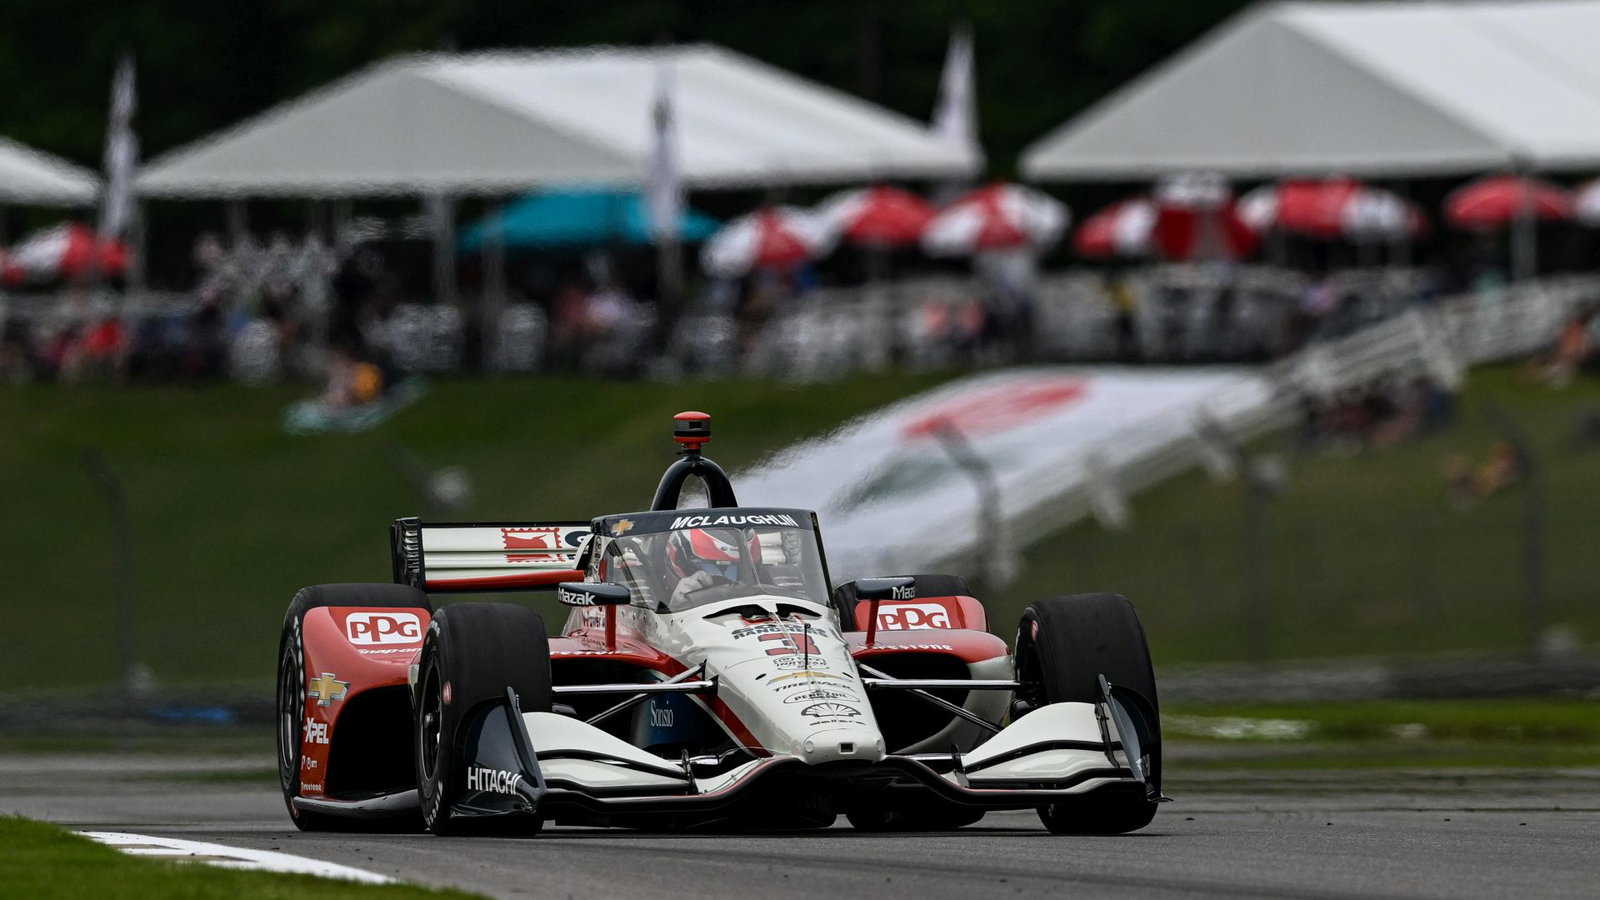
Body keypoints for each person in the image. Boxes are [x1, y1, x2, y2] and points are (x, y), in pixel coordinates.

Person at [665, 528, 754, 606]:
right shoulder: (659, 605)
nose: (721, 581)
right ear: (679, 562)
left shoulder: (758, 592)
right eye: (710, 568)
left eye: (733, 569)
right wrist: (680, 604)